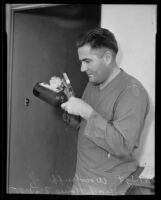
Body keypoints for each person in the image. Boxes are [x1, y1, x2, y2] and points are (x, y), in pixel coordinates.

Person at [61, 28, 150, 195]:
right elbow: (85, 127)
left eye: (87, 61)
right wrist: (70, 107)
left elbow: (123, 146)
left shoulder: (133, 93)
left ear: (107, 58)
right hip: (82, 180)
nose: (82, 68)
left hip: (109, 187)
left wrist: (88, 112)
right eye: (81, 61)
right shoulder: (93, 82)